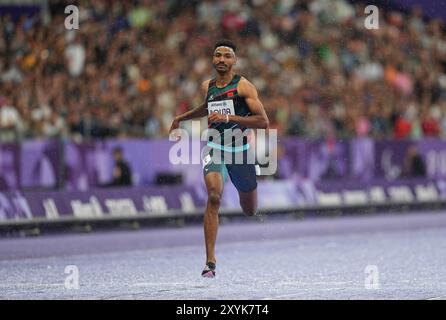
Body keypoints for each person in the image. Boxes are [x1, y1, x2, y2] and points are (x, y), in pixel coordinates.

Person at [169, 39, 269, 278]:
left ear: (234, 60)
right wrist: (181, 117)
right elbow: (208, 108)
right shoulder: (208, 86)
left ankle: (251, 198)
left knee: (249, 209)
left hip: (241, 151)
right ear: (212, 59)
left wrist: (229, 119)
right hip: (214, 145)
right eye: (218, 55)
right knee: (214, 196)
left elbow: (263, 122)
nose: (222, 60)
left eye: (227, 56)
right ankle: (210, 262)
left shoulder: (244, 87)